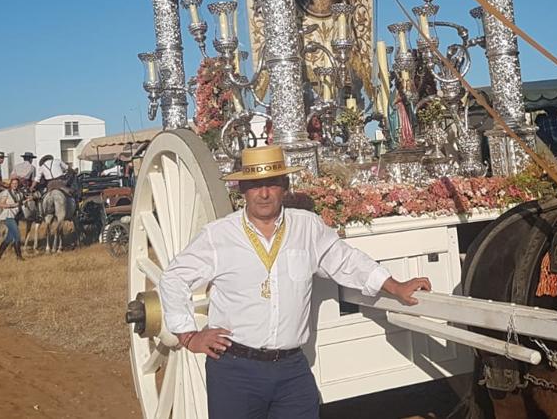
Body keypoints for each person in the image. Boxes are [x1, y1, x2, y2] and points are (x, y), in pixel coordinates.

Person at [159, 145, 431, 418]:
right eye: (255, 185)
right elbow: (173, 278)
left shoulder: (307, 227)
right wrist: (188, 336)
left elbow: (347, 261)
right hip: (235, 369)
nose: (264, 194)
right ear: (241, 189)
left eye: (272, 184)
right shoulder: (218, 235)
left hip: (291, 371)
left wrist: (395, 286)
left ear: (285, 186)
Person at [0, 186, 24, 261]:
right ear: (11, 184)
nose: (15, 185)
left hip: (15, 216)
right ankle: (19, 256)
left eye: (16, 183)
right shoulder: (7, 193)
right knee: (17, 235)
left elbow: (20, 203)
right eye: (13, 183)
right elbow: (0, 204)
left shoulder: (20, 193)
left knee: (9, 238)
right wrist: (12, 205)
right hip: (8, 216)